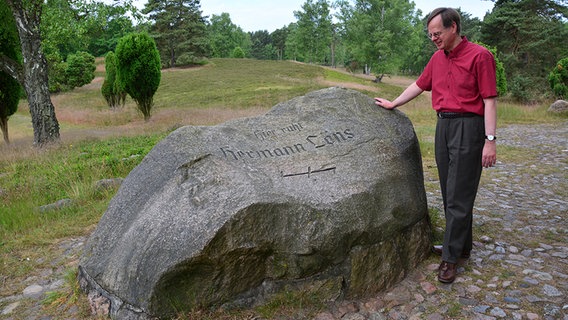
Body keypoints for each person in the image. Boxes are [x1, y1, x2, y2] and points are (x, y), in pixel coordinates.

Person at [374, 7, 497, 283]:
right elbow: (419, 85)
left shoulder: (480, 56)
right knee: (448, 190)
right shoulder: (437, 59)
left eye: (437, 33)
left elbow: (489, 100)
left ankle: (450, 259)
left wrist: (490, 141)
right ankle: (461, 247)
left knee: (458, 194)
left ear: (453, 27)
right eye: (430, 34)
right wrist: (393, 103)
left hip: (469, 126)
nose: (433, 38)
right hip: (444, 126)